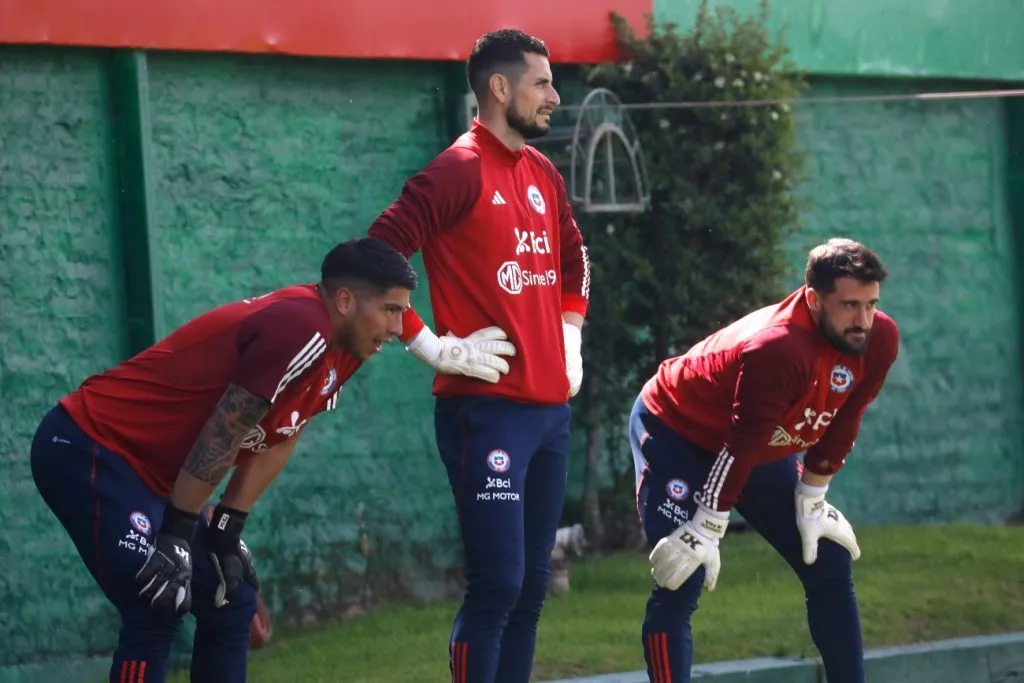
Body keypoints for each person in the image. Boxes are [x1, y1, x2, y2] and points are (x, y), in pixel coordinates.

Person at [30, 237, 418, 683]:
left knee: (230, 599)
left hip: (153, 476)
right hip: (89, 446)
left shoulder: (347, 347)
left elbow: (285, 433)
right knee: (157, 599)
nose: (399, 326)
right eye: (391, 310)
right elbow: (226, 429)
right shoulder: (304, 327)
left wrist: (226, 528)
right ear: (346, 301)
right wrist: (177, 531)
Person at [367, 28, 591, 683]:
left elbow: (576, 261)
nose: (555, 95)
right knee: (497, 583)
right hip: (485, 411)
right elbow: (373, 258)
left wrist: (569, 340)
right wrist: (433, 345)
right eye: (541, 82)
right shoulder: (458, 168)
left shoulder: (542, 172)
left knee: (528, 590)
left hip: (550, 414)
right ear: (499, 88)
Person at [629, 238, 899, 683]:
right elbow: (741, 441)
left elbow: (848, 413)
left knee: (828, 561)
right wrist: (706, 527)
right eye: (850, 305)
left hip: (757, 442)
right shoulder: (779, 347)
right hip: (678, 431)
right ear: (814, 300)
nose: (863, 321)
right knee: (681, 575)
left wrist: (812, 495)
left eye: (871, 304)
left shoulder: (879, 337)